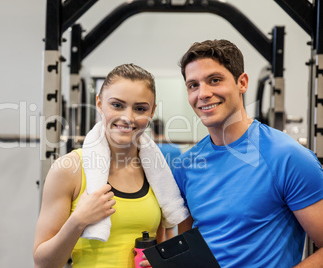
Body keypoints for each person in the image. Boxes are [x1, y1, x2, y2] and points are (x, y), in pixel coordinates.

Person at [174, 39, 323, 267]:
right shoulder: (186, 165)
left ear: (242, 82)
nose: (203, 94)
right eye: (193, 85)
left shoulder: (288, 158)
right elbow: (185, 249)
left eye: (214, 80)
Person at [33, 63, 185, 268]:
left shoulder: (157, 175)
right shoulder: (69, 169)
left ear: (152, 111)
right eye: (117, 105)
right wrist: (78, 220)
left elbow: (163, 248)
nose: (128, 117)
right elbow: (43, 263)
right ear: (99, 103)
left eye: (140, 108)